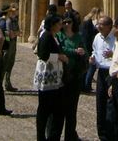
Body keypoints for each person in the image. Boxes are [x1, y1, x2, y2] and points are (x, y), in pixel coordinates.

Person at [35, 13, 66, 141]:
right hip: (47, 78)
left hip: (52, 77)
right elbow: (42, 54)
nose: (61, 26)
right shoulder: (46, 35)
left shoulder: (53, 35)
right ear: (53, 25)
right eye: (59, 23)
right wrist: (59, 57)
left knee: (49, 109)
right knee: (45, 109)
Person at [57, 13, 87, 141]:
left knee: (72, 107)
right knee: (59, 107)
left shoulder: (78, 36)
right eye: (64, 22)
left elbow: (85, 50)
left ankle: (70, 135)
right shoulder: (59, 36)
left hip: (75, 74)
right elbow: (59, 50)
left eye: (69, 22)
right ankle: (55, 134)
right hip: (61, 74)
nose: (67, 24)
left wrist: (84, 52)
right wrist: (74, 51)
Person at [89, 15, 115, 141]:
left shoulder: (115, 39)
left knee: (110, 104)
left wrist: (113, 54)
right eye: (98, 24)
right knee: (100, 103)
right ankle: (102, 134)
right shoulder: (97, 37)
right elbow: (94, 51)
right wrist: (92, 58)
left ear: (109, 26)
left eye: (102, 24)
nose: (99, 26)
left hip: (112, 72)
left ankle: (111, 133)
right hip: (101, 72)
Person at [0, 4, 20, 92]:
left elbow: (18, 33)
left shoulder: (15, 20)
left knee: (10, 64)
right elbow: (9, 34)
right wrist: (13, 35)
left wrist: (15, 33)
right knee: (4, 64)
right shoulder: (8, 21)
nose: (15, 12)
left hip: (13, 44)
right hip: (9, 45)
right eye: (14, 10)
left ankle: (7, 83)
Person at [81, 7, 101, 92]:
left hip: (85, 46)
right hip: (89, 47)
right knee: (92, 67)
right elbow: (90, 35)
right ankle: (87, 86)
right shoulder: (90, 22)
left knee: (87, 67)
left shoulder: (85, 20)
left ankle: (84, 85)